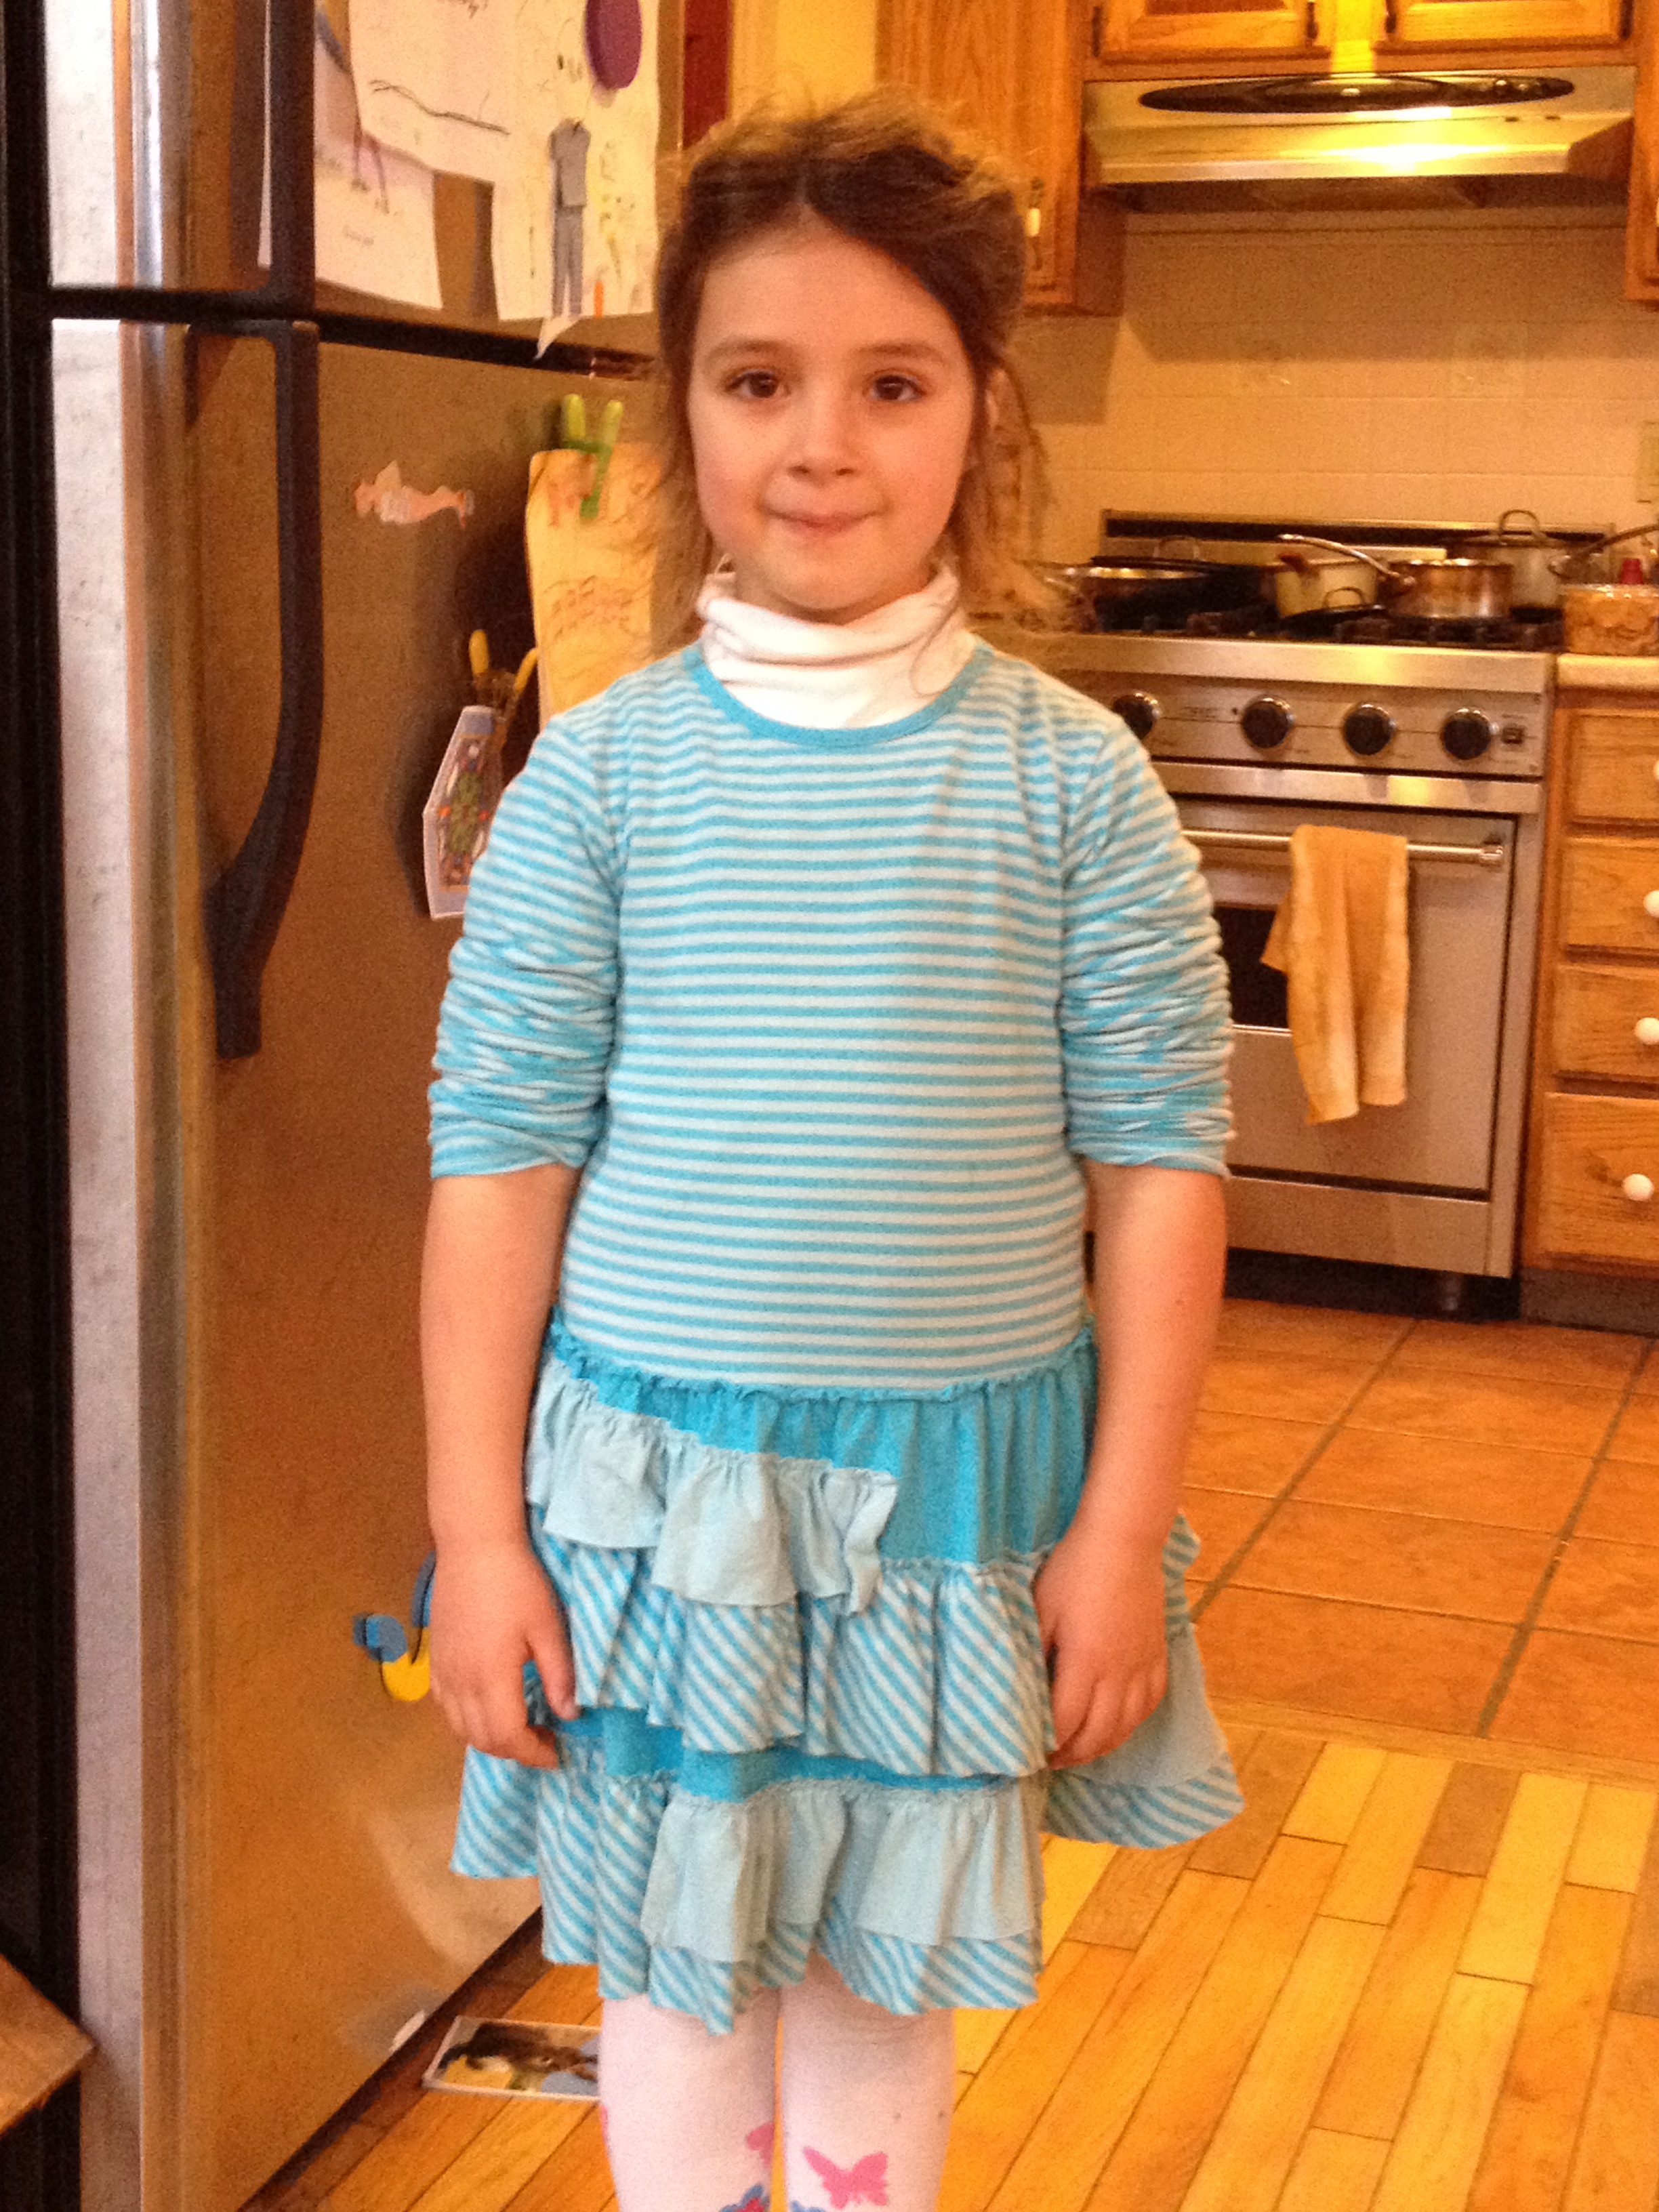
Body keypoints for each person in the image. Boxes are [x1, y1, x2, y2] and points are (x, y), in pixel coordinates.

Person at [422, 90, 1241, 2212]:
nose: (822, 444)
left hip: (955, 1521)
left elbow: (1163, 1172)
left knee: (883, 1971)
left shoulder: (1079, 787)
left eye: (894, 383)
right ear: (682, 413)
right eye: (758, 381)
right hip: (654, 1511)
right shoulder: (595, 784)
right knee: (679, 1973)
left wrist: (1122, 1527)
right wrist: (479, 1536)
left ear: (985, 415)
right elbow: (498, 1164)